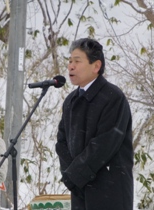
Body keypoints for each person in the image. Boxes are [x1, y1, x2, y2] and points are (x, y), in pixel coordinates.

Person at [56, 38, 134, 210]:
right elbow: (62, 142)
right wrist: (70, 175)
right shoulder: (71, 100)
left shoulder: (113, 97)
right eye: (69, 61)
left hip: (109, 189)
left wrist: (75, 175)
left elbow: (105, 144)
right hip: (79, 190)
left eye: (77, 61)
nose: (71, 66)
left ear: (96, 66)